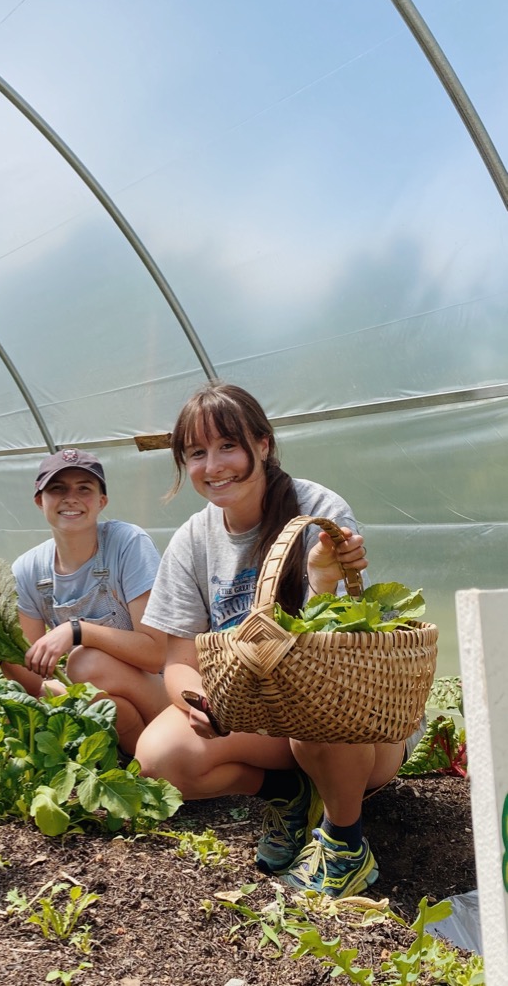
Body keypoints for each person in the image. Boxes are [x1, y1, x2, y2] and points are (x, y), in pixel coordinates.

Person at [134, 381, 408, 898]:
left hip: (354, 725)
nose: (213, 465)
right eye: (196, 453)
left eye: (227, 446)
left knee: (313, 705)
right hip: (255, 711)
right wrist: (201, 702)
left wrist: (323, 579)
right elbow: (177, 657)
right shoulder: (193, 539)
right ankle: (292, 794)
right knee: (160, 759)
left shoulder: (316, 509)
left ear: (262, 444)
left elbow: (342, 648)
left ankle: (346, 844)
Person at [4, 448, 169, 755]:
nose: (71, 498)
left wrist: (78, 630)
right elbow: (31, 671)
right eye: (57, 489)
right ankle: (146, 768)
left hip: (159, 694)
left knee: (85, 661)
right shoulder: (28, 570)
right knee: (105, 703)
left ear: (101, 501)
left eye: (84, 488)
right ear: (40, 501)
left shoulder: (127, 543)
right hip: (97, 693)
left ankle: (167, 753)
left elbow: (157, 654)